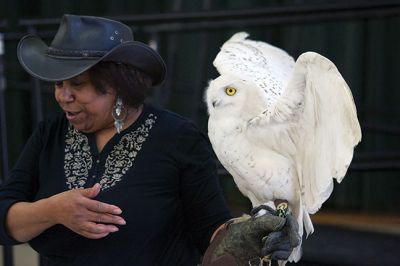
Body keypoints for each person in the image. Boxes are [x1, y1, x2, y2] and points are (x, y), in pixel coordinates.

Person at [0, 14, 299, 266]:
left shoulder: (177, 138)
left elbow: (210, 229)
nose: (63, 96)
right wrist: (53, 210)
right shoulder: (49, 133)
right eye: (57, 83)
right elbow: (4, 220)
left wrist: (251, 236)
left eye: (77, 84)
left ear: (117, 86)